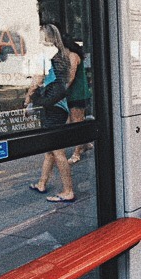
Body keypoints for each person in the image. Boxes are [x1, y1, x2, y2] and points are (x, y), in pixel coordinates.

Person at [25, 23, 75, 203]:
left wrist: (28, 101)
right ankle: (42, 183)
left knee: (58, 151)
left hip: (52, 109)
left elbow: (37, 81)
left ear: (45, 38)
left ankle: (68, 190)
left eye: (40, 36)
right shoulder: (62, 55)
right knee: (50, 151)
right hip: (60, 107)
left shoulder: (45, 55)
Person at [62, 34, 93, 164]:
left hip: (77, 94)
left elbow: (71, 75)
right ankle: (85, 144)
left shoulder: (73, 56)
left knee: (76, 123)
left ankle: (77, 153)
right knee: (76, 120)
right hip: (76, 94)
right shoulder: (72, 55)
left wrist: (62, 89)